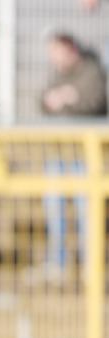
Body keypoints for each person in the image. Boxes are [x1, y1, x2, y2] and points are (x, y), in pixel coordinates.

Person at [41, 33, 107, 276]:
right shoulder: (58, 75)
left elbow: (93, 103)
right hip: (59, 152)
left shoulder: (91, 71)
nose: (53, 56)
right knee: (54, 209)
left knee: (86, 211)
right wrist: (61, 99)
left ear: (70, 48)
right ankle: (59, 263)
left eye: (56, 49)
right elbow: (43, 101)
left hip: (84, 156)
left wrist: (65, 101)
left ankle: (92, 263)